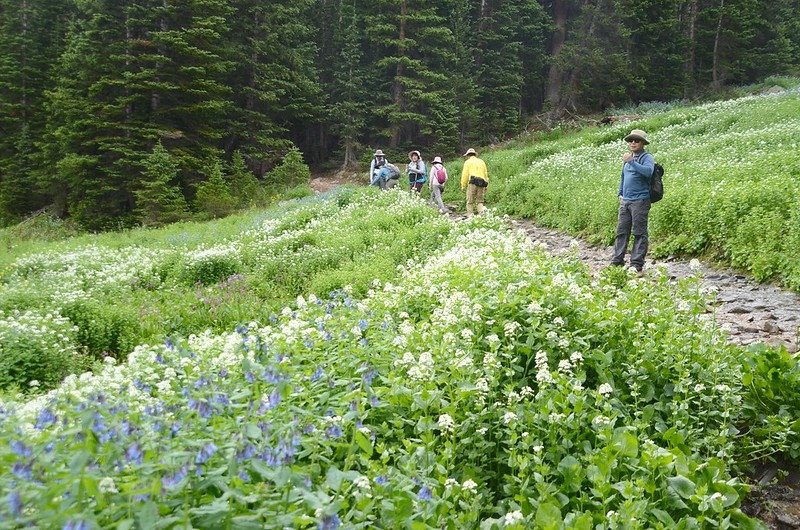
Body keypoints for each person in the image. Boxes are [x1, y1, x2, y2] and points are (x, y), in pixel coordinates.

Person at [610, 129, 655, 273]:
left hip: (640, 201)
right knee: (621, 231)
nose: (633, 143)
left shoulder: (646, 157)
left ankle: (636, 263)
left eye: (636, 140)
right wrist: (620, 193)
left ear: (643, 143)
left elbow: (648, 172)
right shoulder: (627, 159)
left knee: (639, 232)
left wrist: (632, 162)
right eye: (630, 140)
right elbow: (623, 178)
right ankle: (617, 261)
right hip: (626, 201)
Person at [460, 148, 489, 216]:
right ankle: (482, 215)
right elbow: (485, 174)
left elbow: (465, 175)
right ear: (475, 154)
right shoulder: (481, 161)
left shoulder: (467, 162)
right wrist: (486, 185)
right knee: (480, 201)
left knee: (470, 201)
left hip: (472, 182)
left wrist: (463, 185)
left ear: (467, 155)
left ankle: (470, 215)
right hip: (482, 182)